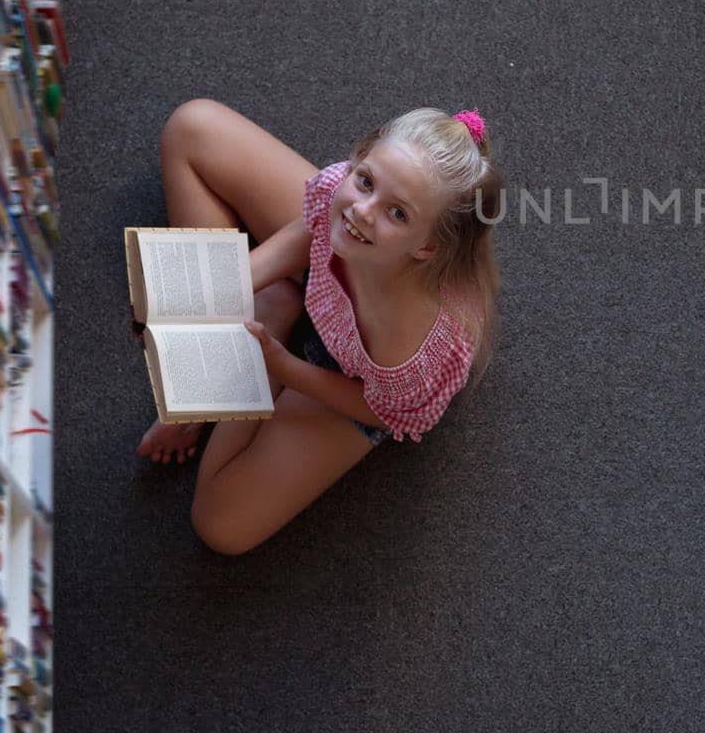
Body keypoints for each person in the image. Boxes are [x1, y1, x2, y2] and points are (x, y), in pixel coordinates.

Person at [133, 99, 503, 554]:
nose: (363, 211)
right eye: (365, 180)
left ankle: (251, 351)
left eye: (398, 213)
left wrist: (278, 364)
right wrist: (196, 304)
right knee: (192, 127)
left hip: (350, 378)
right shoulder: (346, 202)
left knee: (219, 526)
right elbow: (308, 232)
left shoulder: (411, 343)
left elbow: (379, 410)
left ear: (426, 248)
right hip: (324, 279)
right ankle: (266, 313)